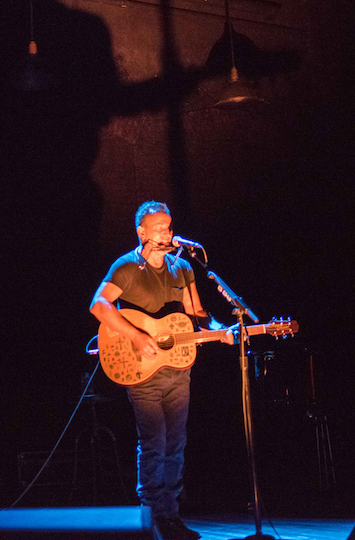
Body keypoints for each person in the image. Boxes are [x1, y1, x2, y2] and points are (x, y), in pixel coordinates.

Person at [90, 201, 235, 540]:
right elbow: (99, 304)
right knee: (154, 442)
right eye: (158, 228)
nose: (166, 233)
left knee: (176, 443)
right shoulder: (126, 267)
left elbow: (198, 314)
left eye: (168, 227)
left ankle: (172, 515)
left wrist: (219, 330)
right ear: (141, 232)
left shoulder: (182, 267)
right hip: (141, 370)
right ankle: (154, 518)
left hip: (178, 368)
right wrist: (137, 336)